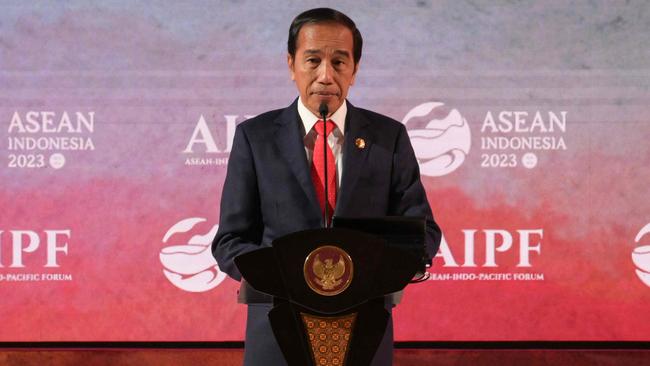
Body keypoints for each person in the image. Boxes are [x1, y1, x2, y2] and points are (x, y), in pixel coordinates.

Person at [212, 7, 441, 366]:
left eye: (339, 62)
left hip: (363, 332)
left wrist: (393, 267)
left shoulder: (388, 137)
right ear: (290, 65)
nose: (325, 75)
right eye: (313, 60)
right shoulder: (255, 138)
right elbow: (230, 240)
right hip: (277, 331)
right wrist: (278, 278)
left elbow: (423, 230)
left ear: (355, 69)